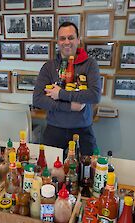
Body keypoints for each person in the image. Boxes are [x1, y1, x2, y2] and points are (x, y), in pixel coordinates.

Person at [33, 22, 102, 156]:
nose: (67, 42)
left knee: (87, 171)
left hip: (82, 130)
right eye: (62, 38)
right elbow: (37, 99)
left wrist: (61, 94)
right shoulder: (49, 67)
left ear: (78, 40)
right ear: (58, 42)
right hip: (54, 129)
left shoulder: (90, 64)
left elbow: (94, 95)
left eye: (70, 37)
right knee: (50, 170)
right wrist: (70, 107)